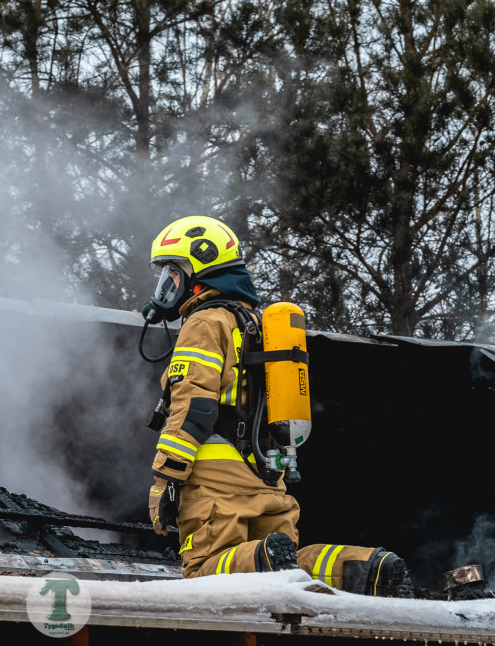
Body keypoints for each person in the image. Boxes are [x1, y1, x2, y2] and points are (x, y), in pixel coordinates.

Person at [143, 216, 412, 596]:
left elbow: (194, 407)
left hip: (216, 477)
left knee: (203, 573)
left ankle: (263, 560)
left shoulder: (205, 322)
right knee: (288, 570)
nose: (167, 287)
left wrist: (166, 478)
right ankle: (367, 568)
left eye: (175, 273)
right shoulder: (256, 324)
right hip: (268, 474)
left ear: (201, 269)